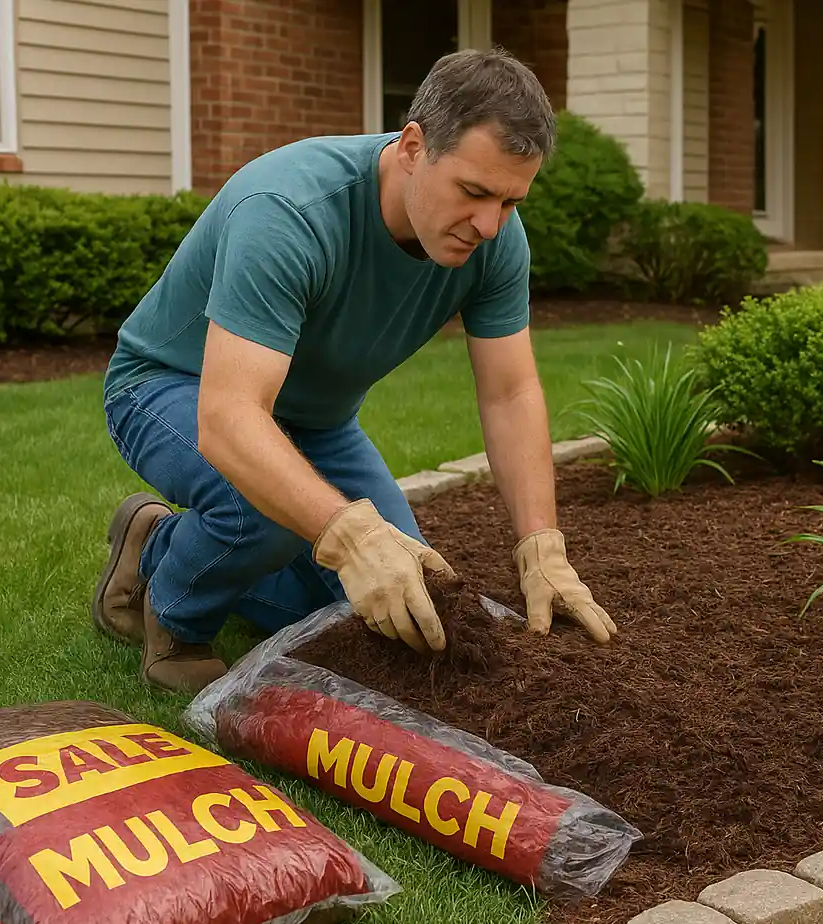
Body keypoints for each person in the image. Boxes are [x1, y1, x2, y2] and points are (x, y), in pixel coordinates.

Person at [93, 46, 618, 696]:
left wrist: (541, 545)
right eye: (474, 192)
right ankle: (168, 600)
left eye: (510, 201)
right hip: (172, 386)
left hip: (316, 422)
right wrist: (347, 533)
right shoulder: (288, 211)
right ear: (413, 147)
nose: (489, 225)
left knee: (400, 607)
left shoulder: (496, 241)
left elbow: (510, 393)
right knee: (266, 515)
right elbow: (229, 418)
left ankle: (167, 539)